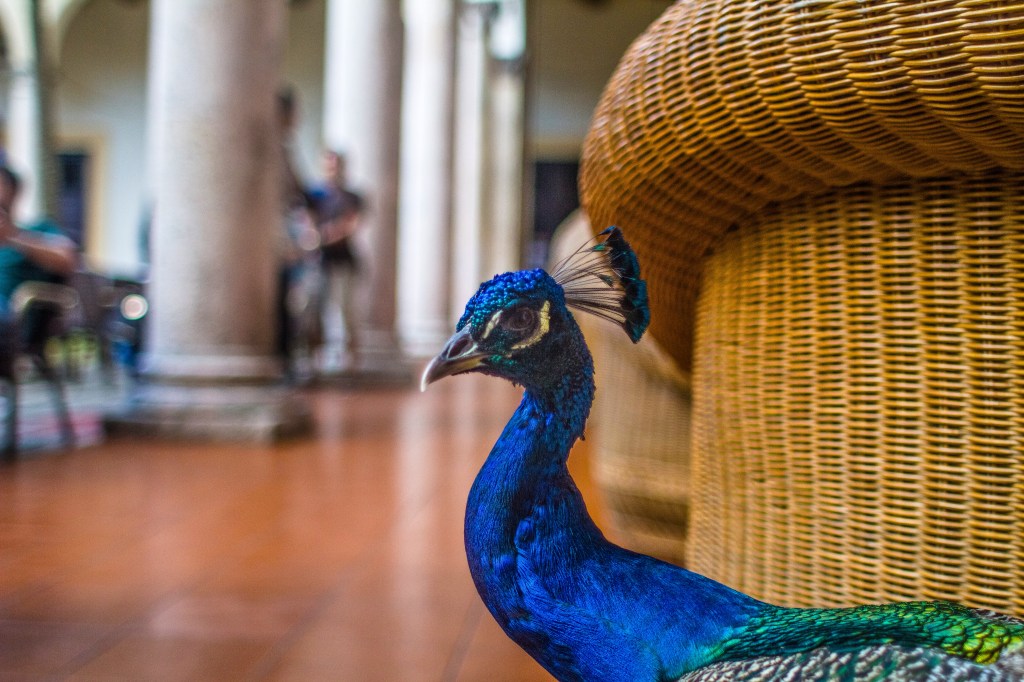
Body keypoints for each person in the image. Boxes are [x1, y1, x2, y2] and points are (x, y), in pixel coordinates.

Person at [309, 150, 365, 371]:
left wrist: (322, 236)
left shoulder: (353, 197)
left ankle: (350, 364)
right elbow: (307, 219)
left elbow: (351, 225)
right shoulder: (315, 194)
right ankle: (316, 362)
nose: (331, 170)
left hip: (344, 262)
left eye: (335, 165)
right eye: (327, 165)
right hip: (319, 261)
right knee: (316, 310)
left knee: (346, 312)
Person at [0, 165, 78, 322]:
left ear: (14, 191)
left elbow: (67, 258)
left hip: (12, 312)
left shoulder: (38, 230)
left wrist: (12, 238)